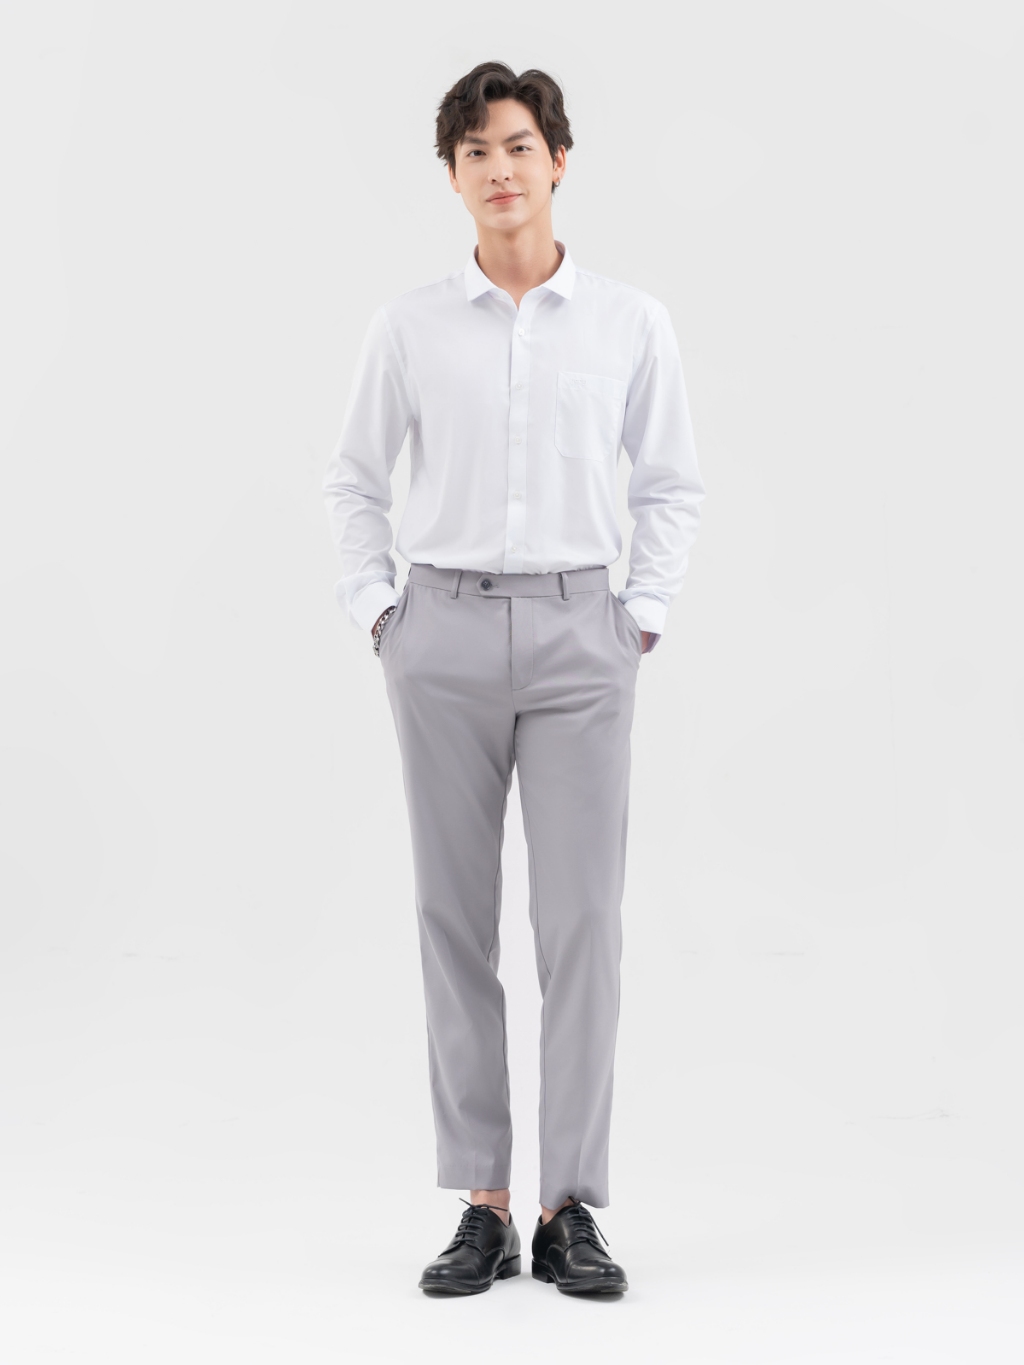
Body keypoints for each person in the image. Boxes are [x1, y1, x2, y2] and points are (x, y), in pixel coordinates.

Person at [322, 61, 704, 1296]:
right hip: (439, 631)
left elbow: (669, 484)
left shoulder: (629, 322)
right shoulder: (410, 327)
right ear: (451, 176)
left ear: (558, 161)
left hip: (581, 635)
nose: (499, 168)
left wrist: (639, 618)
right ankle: (482, 1202)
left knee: (582, 923)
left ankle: (568, 1205)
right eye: (475, 151)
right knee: (453, 917)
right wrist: (381, 613)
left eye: (518, 145)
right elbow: (354, 479)